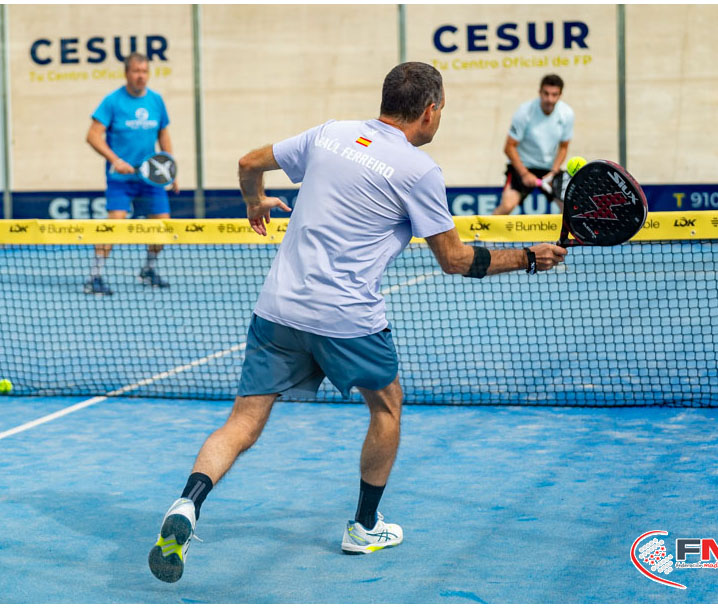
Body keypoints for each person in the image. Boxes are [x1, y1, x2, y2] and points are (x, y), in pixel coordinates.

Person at [148, 62, 568, 583]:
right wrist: (529, 257)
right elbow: (455, 260)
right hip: (347, 318)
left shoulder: (330, 133)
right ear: (429, 110)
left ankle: (188, 503)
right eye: (442, 110)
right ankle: (364, 527)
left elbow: (248, 162)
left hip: (278, 307)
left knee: (243, 421)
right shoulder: (419, 171)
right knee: (387, 406)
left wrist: (254, 201)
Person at [84, 52, 179, 295]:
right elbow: (92, 136)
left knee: (163, 228)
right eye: (136, 71)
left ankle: (148, 269)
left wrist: (171, 170)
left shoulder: (156, 101)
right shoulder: (112, 101)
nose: (141, 76)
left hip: (151, 179)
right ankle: (94, 277)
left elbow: (163, 134)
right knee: (115, 225)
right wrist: (115, 160)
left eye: (144, 71)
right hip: (120, 180)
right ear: (127, 73)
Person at [493, 74, 574, 215]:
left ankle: (564, 232)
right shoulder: (524, 112)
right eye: (546, 94)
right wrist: (524, 173)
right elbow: (509, 147)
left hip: (549, 169)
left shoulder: (567, 114)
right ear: (540, 92)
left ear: (560, 95)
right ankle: (481, 230)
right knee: (506, 206)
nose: (549, 99)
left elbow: (563, 147)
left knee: (570, 210)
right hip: (522, 166)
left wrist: (554, 172)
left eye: (554, 95)